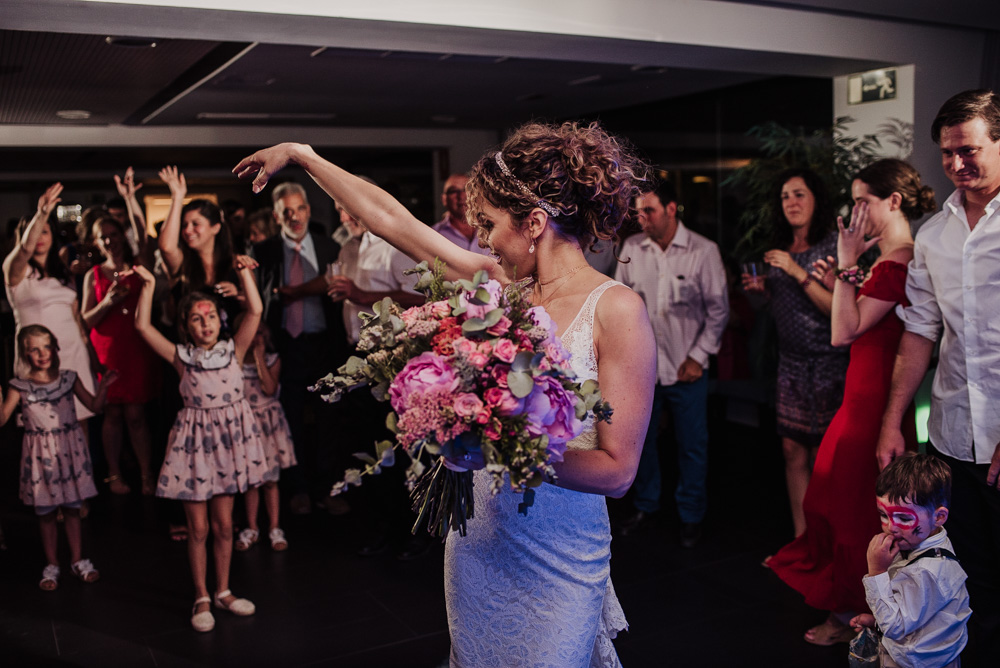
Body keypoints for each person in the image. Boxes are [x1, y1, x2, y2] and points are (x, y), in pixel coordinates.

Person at [235, 120, 657, 667]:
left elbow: (618, 470)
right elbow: (392, 221)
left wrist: (498, 446)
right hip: (479, 543)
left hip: (560, 556)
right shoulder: (502, 285)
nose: (480, 239)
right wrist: (303, 155)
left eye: (489, 224)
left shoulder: (617, 310)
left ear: (534, 223)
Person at [768, 159, 934, 645]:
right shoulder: (889, 260)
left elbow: (841, 331)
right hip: (861, 392)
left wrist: (844, 264)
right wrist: (845, 275)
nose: (855, 211)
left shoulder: (898, 259)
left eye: (863, 201)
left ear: (893, 202)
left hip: (872, 399)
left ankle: (851, 615)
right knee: (839, 498)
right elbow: (852, 319)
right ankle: (857, 610)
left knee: (851, 508)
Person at [876, 89, 1000, 668]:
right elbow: (920, 332)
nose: (955, 165)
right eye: (947, 153)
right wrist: (894, 418)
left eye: (969, 150)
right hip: (952, 433)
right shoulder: (933, 234)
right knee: (966, 570)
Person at [129, 256, 268, 633]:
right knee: (199, 529)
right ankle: (202, 595)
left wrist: (243, 274)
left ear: (219, 320)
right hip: (195, 451)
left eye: (209, 316)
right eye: (196, 318)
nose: (205, 323)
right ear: (186, 326)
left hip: (227, 448)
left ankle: (223, 590)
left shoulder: (233, 349)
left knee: (225, 526)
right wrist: (146, 285)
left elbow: (254, 309)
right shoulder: (181, 356)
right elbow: (142, 325)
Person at [614, 180, 729, 548]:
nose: (642, 218)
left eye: (649, 210)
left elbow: (718, 311)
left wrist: (698, 356)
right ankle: (647, 505)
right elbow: (620, 308)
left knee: (692, 444)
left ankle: (691, 514)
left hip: (686, 366)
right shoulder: (632, 248)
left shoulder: (703, 251)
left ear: (671, 209)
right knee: (642, 440)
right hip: (644, 368)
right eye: (638, 212)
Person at [743, 168, 849, 538]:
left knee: (824, 459)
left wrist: (794, 271)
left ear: (816, 199)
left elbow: (838, 311)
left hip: (829, 366)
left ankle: (827, 542)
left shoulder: (832, 247)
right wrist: (762, 294)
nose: (792, 202)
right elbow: (781, 309)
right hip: (790, 364)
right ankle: (802, 540)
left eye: (799, 194)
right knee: (792, 452)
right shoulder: (781, 249)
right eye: (786, 196)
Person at [253, 181, 347, 516]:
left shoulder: (329, 249)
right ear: (277, 216)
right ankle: (299, 490)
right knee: (288, 421)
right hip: (285, 347)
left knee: (329, 421)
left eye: (300, 209)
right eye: (287, 212)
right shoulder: (262, 252)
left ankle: (328, 490)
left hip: (324, 345)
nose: (295, 217)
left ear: (308, 210)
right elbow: (260, 301)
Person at [0, 325, 116, 591]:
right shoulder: (19, 386)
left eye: (46, 346)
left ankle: (77, 559)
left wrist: (104, 387)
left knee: (73, 507)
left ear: (55, 347)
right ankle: (52, 563)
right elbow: (3, 418)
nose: (42, 354)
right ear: (25, 353)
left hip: (68, 450)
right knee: (47, 511)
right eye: (35, 349)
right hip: (41, 455)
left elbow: (95, 407)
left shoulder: (68, 378)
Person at [850, 454, 970, 668]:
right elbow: (913, 612)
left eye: (904, 518)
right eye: (883, 515)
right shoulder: (918, 539)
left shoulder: (926, 571)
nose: (890, 527)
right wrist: (877, 623)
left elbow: (896, 626)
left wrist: (877, 571)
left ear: (939, 517)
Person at [3, 183, 100, 427]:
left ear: (52, 236)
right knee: (41, 425)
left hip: (72, 352)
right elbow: (25, 248)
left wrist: (92, 357)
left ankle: (81, 467)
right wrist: (42, 213)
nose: (39, 238)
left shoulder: (63, 274)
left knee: (80, 422)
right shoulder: (15, 272)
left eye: (45, 232)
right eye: (34, 232)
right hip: (38, 356)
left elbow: (77, 320)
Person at [82, 212, 161, 495]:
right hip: (106, 348)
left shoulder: (139, 268)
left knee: (137, 414)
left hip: (135, 345)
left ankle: (146, 474)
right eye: (102, 236)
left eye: (113, 234)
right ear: (96, 242)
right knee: (112, 413)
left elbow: (143, 238)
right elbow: (84, 321)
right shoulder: (93, 275)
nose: (108, 240)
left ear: (122, 237)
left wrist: (130, 200)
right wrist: (107, 302)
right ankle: (114, 474)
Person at [235, 319, 295, 552]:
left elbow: (269, 389)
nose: (256, 337)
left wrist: (259, 357)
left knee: (270, 480)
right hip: (246, 426)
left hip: (268, 426)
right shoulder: (236, 362)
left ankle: (274, 526)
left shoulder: (272, 359)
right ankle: (251, 527)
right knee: (252, 480)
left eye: (260, 332)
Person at [156, 166, 242, 326]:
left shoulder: (236, 264)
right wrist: (177, 196)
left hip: (227, 347)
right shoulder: (182, 263)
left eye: (196, 224)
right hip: (188, 347)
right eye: (184, 225)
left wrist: (237, 294)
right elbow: (166, 247)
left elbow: (254, 309)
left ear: (215, 227)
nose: (188, 230)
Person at [432, 174, 492, 256]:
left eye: (467, 189)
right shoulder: (434, 236)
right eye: (453, 191)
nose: (461, 196)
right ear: (444, 199)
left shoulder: (492, 229)